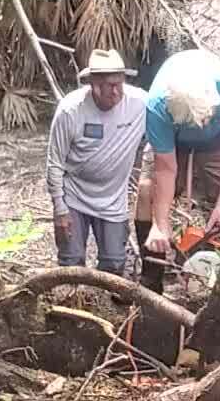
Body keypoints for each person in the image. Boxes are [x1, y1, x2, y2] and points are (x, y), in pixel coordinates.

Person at [135, 47, 220, 288]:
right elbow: (165, 167)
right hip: (173, 143)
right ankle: (152, 276)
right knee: (147, 191)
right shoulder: (157, 105)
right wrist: (160, 223)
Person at [45, 49, 148, 278]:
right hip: (74, 196)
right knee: (71, 265)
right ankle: (71, 307)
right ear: (92, 84)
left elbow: (165, 122)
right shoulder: (71, 110)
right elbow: (54, 164)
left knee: (113, 265)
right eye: (108, 85)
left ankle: (107, 310)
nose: (115, 92)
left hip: (113, 200)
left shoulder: (140, 104)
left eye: (119, 84)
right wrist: (59, 209)